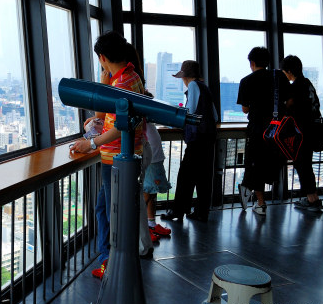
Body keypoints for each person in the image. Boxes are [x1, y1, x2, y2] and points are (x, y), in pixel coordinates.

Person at [69, 31, 149, 280]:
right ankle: (109, 259)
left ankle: (111, 263)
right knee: (105, 208)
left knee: (112, 211)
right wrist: (103, 87)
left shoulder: (122, 83)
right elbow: (107, 117)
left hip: (116, 160)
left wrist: (90, 143)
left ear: (102, 57)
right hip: (123, 157)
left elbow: (119, 127)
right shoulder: (129, 76)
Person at [237, 47, 292, 215]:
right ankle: (266, 199)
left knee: (254, 165)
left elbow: (245, 109)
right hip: (278, 130)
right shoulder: (279, 77)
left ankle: (261, 203)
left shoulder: (246, 81)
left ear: (252, 63)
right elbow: (289, 101)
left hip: (257, 130)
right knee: (273, 163)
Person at [161, 60, 217, 222]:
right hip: (208, 137)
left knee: (185, 175)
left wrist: (175, 120)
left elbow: (190, 112)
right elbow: (215, 116)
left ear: (185, 77)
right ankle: (201, 212)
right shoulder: (205, 88)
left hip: (197, 139)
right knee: (203, 177)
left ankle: (178, 210)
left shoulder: (193, 86)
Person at [281, 55, 323, 212]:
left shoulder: (296, 86)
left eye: (284, 71)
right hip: (314, 130)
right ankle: (312, 198)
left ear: (289, 71)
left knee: (302, 164)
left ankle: (312, 200)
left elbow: (289, 106)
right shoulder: (307, 83)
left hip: (303, 132)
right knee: (306, 164)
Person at [141, 92, 172, 238]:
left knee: (152, 193)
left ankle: (151, 224)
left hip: (155, 157)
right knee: (148, 192)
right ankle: (141, 228)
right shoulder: (141, 117)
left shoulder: (147, 118)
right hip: (151, 158)